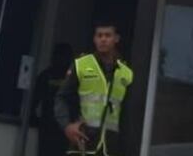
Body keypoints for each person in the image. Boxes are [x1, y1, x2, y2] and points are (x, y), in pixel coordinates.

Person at [55, 22, 135, 156]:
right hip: (83, 143)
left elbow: (127, 115)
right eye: (99, 35)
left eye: (108, 35)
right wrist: (66, 125)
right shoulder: (81, 64)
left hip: (111, 146)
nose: (103, 39)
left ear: (116, 39)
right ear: (94, 39)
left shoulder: (126, 73)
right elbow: (61, 98)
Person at [33, 43, 75, 156]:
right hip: (50, 125)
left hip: (64, 127)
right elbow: (34, 100)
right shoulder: (46, 76)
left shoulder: (73, 78)